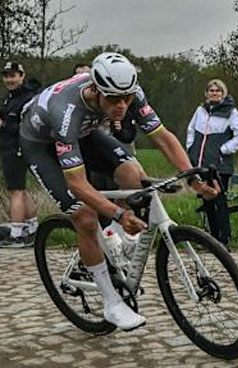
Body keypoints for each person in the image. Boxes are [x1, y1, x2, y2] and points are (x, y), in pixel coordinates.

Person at [18, 52, 218, 331]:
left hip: (85, 134)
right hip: (41, 143)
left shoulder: (130, 93)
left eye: (126, 99)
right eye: (113, 100)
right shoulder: (66, 111)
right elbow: (77, 184)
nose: (121, 106)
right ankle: (112, 303)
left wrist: (193, 178)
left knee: (132, 175)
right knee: (85, 217)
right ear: (95, 90)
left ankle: (115, 243)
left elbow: (162, 137)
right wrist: (118, 213)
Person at [186, 79, 238, 249]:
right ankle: (211, 240)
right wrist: (191, 149)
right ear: (206, 93)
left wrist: (224, 149)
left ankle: (224, 240)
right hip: (201, 164)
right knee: (207, 203)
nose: (214, 93)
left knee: (220, 202)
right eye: (211, 90)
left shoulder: (231, 112)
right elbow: (191, 130)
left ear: (223, 93)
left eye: (217, 91)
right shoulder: (200, 111)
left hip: (220, 166)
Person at [0, 61, 39, 247]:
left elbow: (27, 125)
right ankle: (32, 227)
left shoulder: (28, 98)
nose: (9, 80)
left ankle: (16, 234)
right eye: (6, 76)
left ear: (22, 76)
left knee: (14, 192)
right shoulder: (12, 97)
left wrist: (4, 125)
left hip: (16, 148)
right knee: (21, 190)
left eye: (13, 76)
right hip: (13, 147)